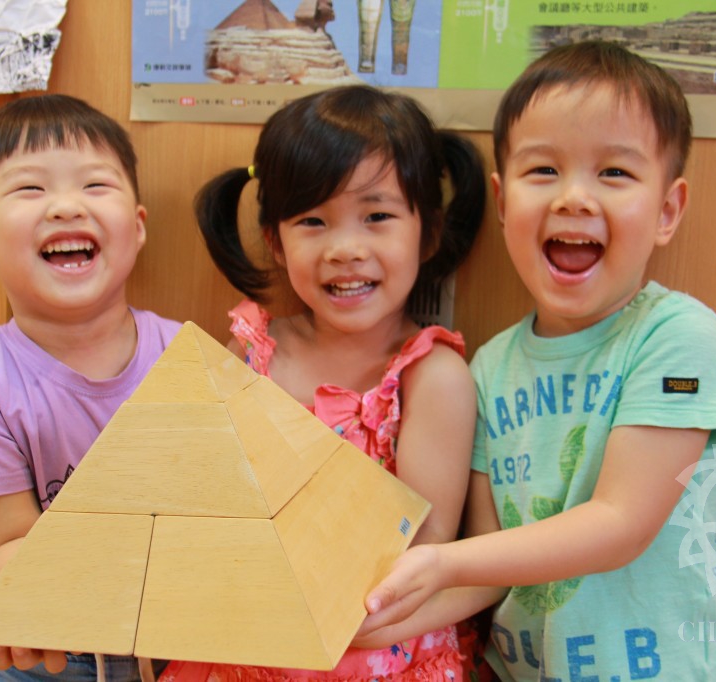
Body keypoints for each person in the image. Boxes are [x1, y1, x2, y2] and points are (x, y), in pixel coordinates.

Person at [357, 41, 716, 681]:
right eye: (543, 170)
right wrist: (370, 620)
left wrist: (444, 563)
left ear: (667, 210)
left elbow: (621, 523)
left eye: (614, 173)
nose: (574, 198)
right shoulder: (488, 366)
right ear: (502, 201)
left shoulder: (678, 338)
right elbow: (490, 566)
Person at [159, 84, 487, 681]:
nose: (345, 249)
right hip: (244, 646)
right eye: (313, 221)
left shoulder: (432, 376)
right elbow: (202, 497)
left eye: (377, 216)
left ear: (428, 234)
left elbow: (424, 543)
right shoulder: (250, 352)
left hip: (375, 651)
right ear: (276, 242)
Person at [0, 94, 181, 681]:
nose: (67, 206)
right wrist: (25, 593)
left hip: (170, 645)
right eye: (29, 189)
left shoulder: (184, 356)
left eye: (95, 185)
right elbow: (7, 542)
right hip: (40, 656)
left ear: (137, 226)